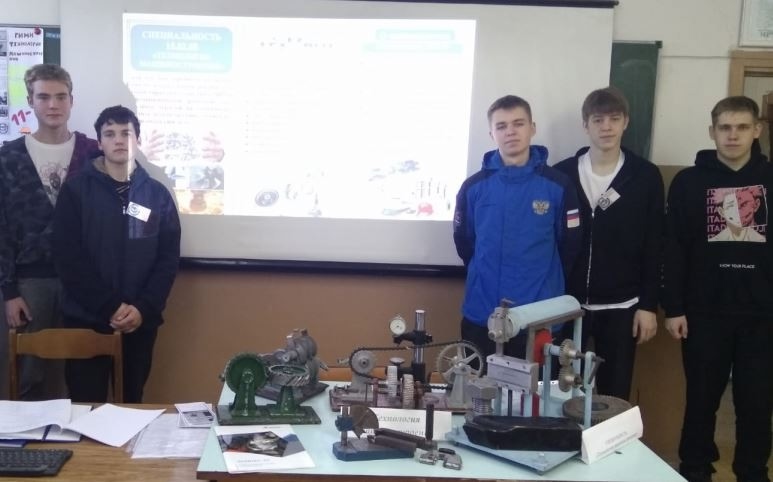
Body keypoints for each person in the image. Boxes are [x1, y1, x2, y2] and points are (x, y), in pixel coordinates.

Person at [662, 95, 773, 482]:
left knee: (757, 404)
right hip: (703, 315)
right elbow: (674, 249)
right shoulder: (688, 183)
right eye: (724, 127)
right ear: (712, 132)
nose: (733, 135)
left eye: (742, 127)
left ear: (757, 130)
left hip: (762, 317)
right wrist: (674, 307)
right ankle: (694, 469)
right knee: (700, 402)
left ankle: (753, 472)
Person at [53, 105, 181, 403]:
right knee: (85, 407)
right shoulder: (75, 191)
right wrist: (109, 306)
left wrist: (142, 308)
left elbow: (167, 259)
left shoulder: (157, 195)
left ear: (138, 140)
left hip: (140, 321)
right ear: (99, 143)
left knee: (131, 405)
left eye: (126, 133)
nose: (119, 140)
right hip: (86, 319)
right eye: (110, 134)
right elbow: (68, 257)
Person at [554, 87, 663, 401]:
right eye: (598, 120)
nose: (606, 127)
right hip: (568, 306)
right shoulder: (562, 174)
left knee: (614, 396)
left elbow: (655, 243)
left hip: (622, 307)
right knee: (560, 394)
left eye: (614, 119)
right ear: (585, 125)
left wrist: (648, 306)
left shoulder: (645, 176)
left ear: (625, 122)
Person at [453, 95, 582, 359]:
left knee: (539, 387)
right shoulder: (473, 187)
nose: (510, 132)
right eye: (501, 126)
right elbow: (465, 243)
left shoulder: (558, 185)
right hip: (483, 314)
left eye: (518, 123)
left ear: (532, 128)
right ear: (491, 134)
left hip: (539, 315)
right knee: (477, 385)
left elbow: (569, 246)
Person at [0, 64, 99, 400]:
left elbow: (124, 207)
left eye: (60, 97)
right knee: (29, 375)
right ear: (31, 101)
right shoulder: (8, 158)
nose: (53, 105)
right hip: (30, 283)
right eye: (43, 97)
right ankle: (30, 436)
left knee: (84, 373)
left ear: (72, 101)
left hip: (85, 280)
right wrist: (8, 291)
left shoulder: (93, 153)